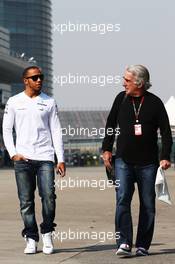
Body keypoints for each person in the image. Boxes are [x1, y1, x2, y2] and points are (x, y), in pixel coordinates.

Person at [102, 65, 172, 257]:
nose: (123, 83)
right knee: (122, 200)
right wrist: (106, 149)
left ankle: (142, 245)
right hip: (123, 161)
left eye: (127, 80)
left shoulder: (155, 103)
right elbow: (110, 124)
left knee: (148, 204)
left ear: (139, 83)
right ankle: (124, 242)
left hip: (148, 164)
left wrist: (165, 156)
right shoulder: (120, 98)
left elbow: (166, 133)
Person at [3, 66, 66, 255]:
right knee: (26, 201)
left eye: (41, 77)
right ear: (25, 80)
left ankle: (47, 232)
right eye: (35, 77)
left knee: (48, 196)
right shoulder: (14, 102)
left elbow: (56, 130)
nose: (39, 80)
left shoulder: (49, 102)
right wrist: (13, 153)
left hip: (45, 157)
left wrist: (60, 159)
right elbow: (6, 129)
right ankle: (31, 237)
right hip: (23, 159)